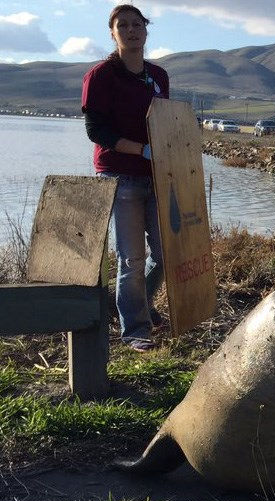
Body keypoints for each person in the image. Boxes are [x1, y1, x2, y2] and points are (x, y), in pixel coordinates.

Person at [81, 4, 169, 353]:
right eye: (123, 25)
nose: (131, 30)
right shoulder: (101, 75)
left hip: (156, 177)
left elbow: (164, 122)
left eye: (137, 24)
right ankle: (135, 330)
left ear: (146, 30)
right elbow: (96, 130)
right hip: (119, 177)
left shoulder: (159, 76)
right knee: (131, 258)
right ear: (112, 33)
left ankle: (140, 308)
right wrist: (140, 151)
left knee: (164, 255)